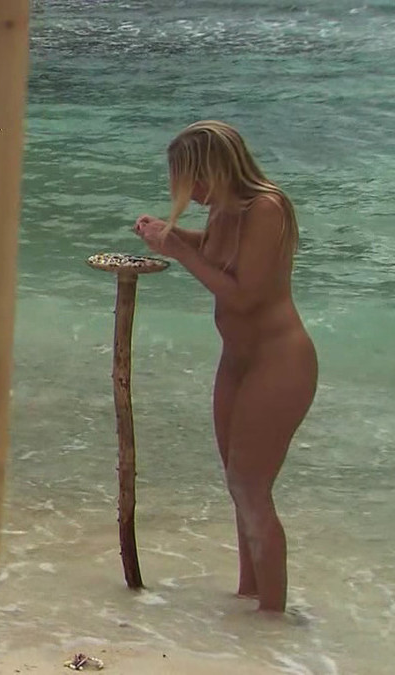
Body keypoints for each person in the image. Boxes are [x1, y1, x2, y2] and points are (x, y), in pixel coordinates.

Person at [133, 120, 317, 613]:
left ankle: (272, 619)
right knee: (239, 485)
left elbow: (243, 294)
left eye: (190, 181)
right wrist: (171, 234)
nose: (189, 194)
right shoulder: (223, 211)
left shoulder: (266, 208)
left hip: (279, 361)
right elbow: (217, 253)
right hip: (236, 361)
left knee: (251, 487)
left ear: (213, 170)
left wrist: (177, 251)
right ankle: (250, 596)